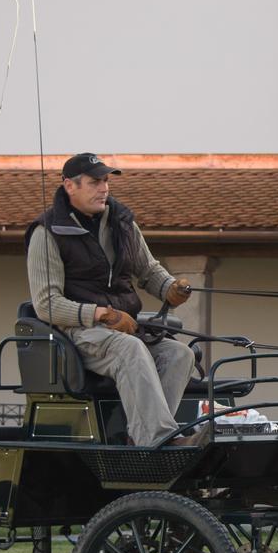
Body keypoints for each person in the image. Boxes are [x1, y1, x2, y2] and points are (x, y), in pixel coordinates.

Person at [24, 152, 210, 446]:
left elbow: (148, 270)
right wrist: (100, 314)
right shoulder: (47, 233)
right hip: (76, 334)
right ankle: (157, 439)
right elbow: (46, 304)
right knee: (130, 349)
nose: (104, 188)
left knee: (179, 355)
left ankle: (144, 435)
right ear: (69, 186)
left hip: (123, 329)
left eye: (106, 180)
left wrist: (171, 288)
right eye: (95, 181)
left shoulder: (122, 223)